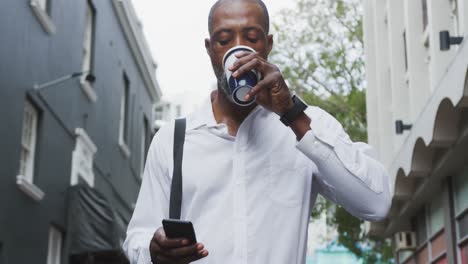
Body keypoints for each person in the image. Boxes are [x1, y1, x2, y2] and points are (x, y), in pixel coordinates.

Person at [123, 0, 391, 263]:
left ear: (268, 44)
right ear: (209, 48)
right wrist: (152, 250)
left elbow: (376, 203)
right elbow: (137, 239)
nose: (239, 51)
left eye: (252, 38)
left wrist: (292, 115)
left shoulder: (306, 124)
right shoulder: (172, 140)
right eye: (224, 40)